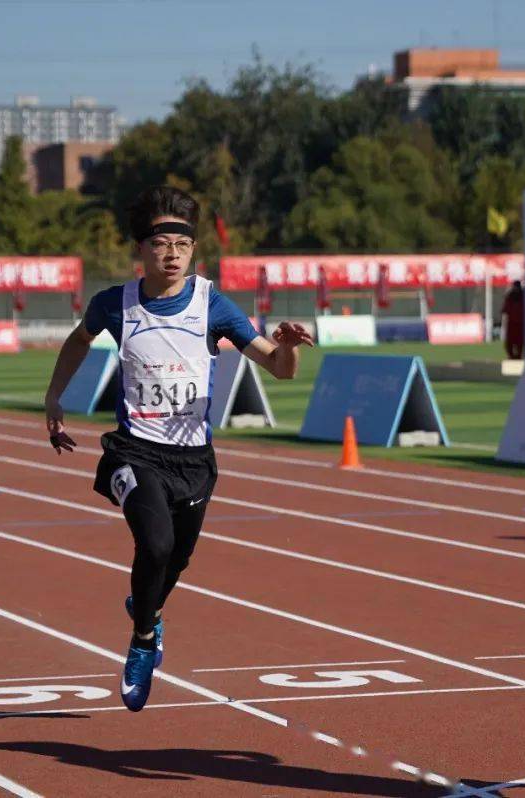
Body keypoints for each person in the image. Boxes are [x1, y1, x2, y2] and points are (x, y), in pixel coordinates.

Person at [43, 186, 314, 712]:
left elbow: (278, 368)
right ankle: (143, 641)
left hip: (193, 460)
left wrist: (285, 347)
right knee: (157, 543)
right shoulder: (114, 304)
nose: (171, 253)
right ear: (141, 249)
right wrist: (55, 397)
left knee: (177, 559)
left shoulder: (212, 304)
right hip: (134, 452)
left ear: (194, 251)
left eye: (182, 244)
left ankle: (146, 606)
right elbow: (78, 341)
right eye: (161, 242)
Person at [501, 279, 525, 360]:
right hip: (514, 323)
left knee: (518, 343)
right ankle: (513, 356)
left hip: (518, 323)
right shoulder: (511, 296)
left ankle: (516, 356)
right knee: (512, 343)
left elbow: (504, 310)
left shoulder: (520, 296)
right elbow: (505, 310)